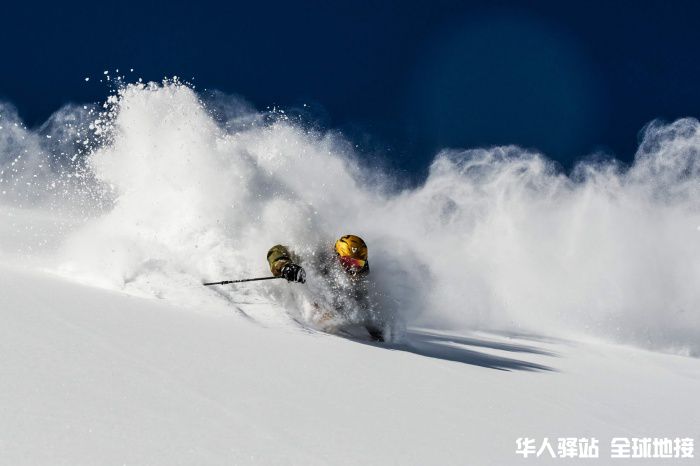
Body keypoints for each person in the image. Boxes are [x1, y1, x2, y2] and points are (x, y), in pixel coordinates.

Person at [266, 235, 386, 341]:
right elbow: (276, 250)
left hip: (330, 314)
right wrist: (284, 266)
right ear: (337, 255)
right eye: (348, 263)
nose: (353, 270)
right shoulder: (317, 256)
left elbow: (364, 306)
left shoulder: (359, 278)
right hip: (301, 298)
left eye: (358, 264)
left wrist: (376, 332)